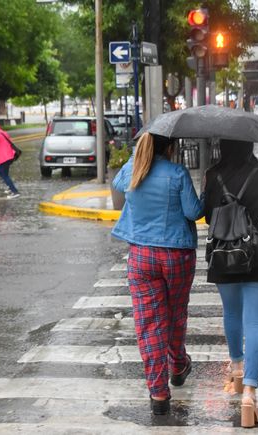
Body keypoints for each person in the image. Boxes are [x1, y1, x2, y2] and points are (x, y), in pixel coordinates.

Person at [111, 132, 203, 416]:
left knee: (149, 324)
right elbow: (194, 212)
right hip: (176, 255)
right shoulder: (176, 173)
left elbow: (117, 184)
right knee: (175, 314)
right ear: (171, 146)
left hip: (141, 257)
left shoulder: (132, 169)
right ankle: (177, 366)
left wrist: (136, 153)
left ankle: (159, 394)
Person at [202, 139, 258, 428]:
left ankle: (236, 367)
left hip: (225, 257)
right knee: (257, 324)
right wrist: (256, 229)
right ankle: (249, 393)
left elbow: (207, 216)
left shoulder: (213, 175)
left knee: (232, 313)